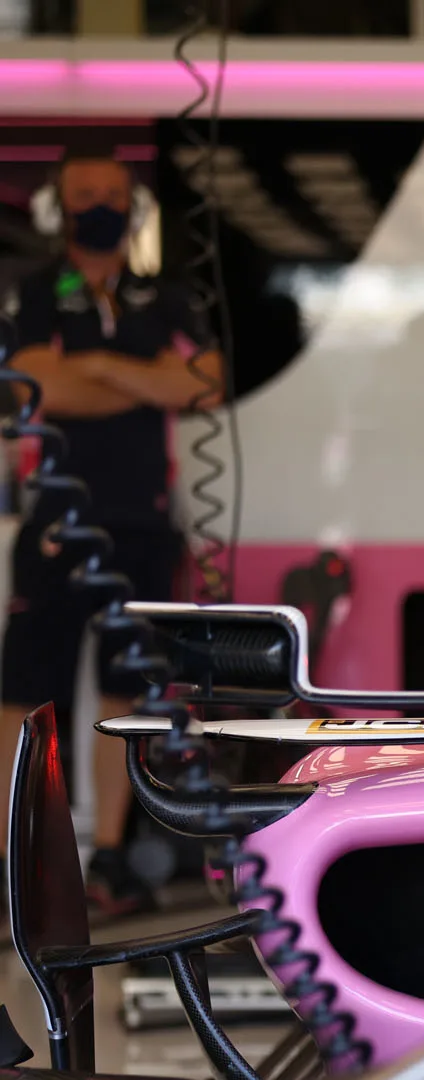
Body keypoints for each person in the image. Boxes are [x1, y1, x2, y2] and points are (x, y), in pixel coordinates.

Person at [0, 150, 219, 914]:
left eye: (112, 193)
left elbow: (204, 384)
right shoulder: (38, 291)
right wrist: (142, 376)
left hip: (143, 523)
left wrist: (93, 369)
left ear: (134, 206)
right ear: (59, 208)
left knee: (131, 693)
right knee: (28, 691)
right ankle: (17, 857)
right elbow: (36, 386)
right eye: (84, 193)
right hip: (55, 521)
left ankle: (112, 858)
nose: (100, 204)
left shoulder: (165, 295)